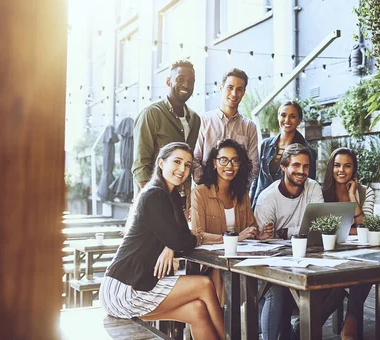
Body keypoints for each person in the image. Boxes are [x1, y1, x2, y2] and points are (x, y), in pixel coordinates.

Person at [100, 142, 224, 340]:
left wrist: (170, 246)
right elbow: (182, 241)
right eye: (177, 161)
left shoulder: (172, 195)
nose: (182, 169)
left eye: (187, 165)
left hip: (138, 284)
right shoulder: (154, 195)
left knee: (197, 310)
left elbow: (180, 237)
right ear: (160, 163)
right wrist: (173, 244)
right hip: (124, 289)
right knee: (204, 285)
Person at [191, 138, 274, 304]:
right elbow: (198, 235)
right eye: (224, 160)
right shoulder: (199, 194)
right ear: (214, 163)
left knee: (272, 288)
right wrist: (237, 237)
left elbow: (249, 228)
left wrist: (259, 235)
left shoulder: (242, 195)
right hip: (212, 265)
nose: (229, 166)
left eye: (235, 161)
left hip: (241, 261)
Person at [254, 144, 324, 340]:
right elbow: (263, 242)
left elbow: (319, 227)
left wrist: (285, 232)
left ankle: (299, 330)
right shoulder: (267, 198)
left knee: (337, 283)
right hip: (274, 264)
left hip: (309, 258)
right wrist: (294, 232)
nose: (302, 171)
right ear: (284, 167)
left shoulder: (313, 187)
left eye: (306, 166)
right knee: (275, 289)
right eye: (296, 165)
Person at [322, 147, 375, 340]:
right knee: (339, 286)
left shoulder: (364, 191)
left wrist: (353, 198)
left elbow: (368, 229)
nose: (341, 170)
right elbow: (322, 230)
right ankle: (346, 324)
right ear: (331, 167)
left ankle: (350, 322)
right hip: (327, 253)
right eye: (337, 165)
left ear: (354, 169)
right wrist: (354, 230)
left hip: (359, 253)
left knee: (367, 268)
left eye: (347, 165)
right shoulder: (321, 192)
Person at [132, 59, 200, 198]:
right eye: (180, 79)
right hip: (154, 198)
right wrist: (152, 198)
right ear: (168, 82)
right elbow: (141, 164)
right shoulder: (152, 113)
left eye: (191, 81)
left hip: (181, 199)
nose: (186, 85)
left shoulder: (195, 119)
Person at [193, 68, 258, 184]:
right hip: (205, 189)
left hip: (236, 193)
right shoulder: (203, 121)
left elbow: (253, 165)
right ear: (221, 87)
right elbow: (194, 158)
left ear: (244, 92)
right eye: (230, 87)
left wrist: (240, 188)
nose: (234, 93)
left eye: (239, 89)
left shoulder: (249, 127)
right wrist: (205, 183)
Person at [250, 100, 317, 208]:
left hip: (285, 210)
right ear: (278, 117)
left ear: (299, 120)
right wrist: (250, 203)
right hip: (259, 205)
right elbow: (257, 179)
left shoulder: (307, 151)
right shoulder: (265, 145)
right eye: (283, 115)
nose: (287, 120)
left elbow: (308, 186)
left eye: (293, 116)